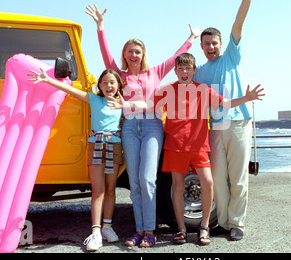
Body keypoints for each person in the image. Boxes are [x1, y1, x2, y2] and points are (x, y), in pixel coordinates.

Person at [108, 53, 264, 246]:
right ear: (175, 71)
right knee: (178, 187)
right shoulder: (167, 90)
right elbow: (147, 105)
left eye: (188, 68)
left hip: (199, 147)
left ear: (194, 70)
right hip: (175, 146)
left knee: (207, 182)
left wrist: (247, 98)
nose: (184, 72)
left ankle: (204, 226)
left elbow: (225, 104)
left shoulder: (204, 90)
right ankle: (181, 228)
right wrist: (127, 104)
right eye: (180, 69)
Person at [86, 4, 203, 247]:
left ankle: (150, 230)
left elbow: (175, 58)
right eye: (129, 51)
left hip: (151, 126)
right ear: (125, 55)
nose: (133, 55)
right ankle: (139, 231)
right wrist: (100, 27)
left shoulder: (156, 72)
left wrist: (191, 39)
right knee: (135, 181)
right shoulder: (119, 74)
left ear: (143, 54)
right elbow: (105, 53)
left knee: (148, 179)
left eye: (137, 51)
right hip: (129, 127)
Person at [28, 68, 124, 252]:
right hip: (95, 144)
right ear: (100, 86)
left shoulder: (122, 103)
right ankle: (95, 232)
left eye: (112, 82)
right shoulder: (94, 99)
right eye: (104, 82)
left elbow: (142, 107)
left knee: (111, 189)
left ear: (119, 84)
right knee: (98, 190)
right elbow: (71, 91)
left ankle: (107, 227)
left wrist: (126, 105)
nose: (108, 86)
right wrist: (47, 79)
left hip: (115, 145)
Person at [192, 0, 256, 241]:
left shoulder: (231, 56)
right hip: (215, 126)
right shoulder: (199, 73)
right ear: (201, 46)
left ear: (221, 44)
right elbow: (185, 95)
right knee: (218, 178)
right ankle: (224, 221)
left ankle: (237, 223)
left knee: (238, 177)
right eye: (205, 44)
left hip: (239, 122)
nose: (210, 47)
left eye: (214, 43)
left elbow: (238, 26)